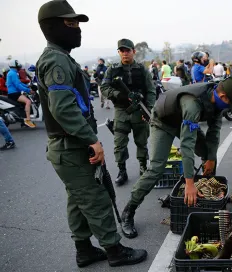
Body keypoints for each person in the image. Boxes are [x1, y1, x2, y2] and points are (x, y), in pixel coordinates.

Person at [36, 0, 147, 268]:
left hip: (67, 147)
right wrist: (92, 140)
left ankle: (84, 250)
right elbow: (63, 109)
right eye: (70, 23)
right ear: (52, 27)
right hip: (72, 146)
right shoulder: (56, 60)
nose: (77, 29)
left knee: (78, 200)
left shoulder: (61, 57)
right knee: (95, 198)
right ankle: (115, 250)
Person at [119, 76, 232, 238]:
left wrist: (210, 158)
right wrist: (190, 183)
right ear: (223, 97)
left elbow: (213, 134)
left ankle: (208, 198)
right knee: (157, 168)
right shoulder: (193, 105)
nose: (229, 108)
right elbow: (187, 146)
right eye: (230, 104)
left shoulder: (217, 103)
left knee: (208, 155)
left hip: (183, 120)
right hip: (163, 123)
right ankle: (129, 210)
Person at [101, 39, 156, 185]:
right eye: (122, 51)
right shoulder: (112, 70)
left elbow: (151, 90)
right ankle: (122, 171)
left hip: (140, 110)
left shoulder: (142, 69)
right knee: (119, 144)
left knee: (142, 142)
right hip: (121, 111)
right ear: (119, 52)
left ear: (133, 51)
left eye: (128, 50)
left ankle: (143, 167)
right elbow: (104, 87)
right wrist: (117, 94)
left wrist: (148, 109)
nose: (125, 53)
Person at [6, 60, 36, 128]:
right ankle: (28, 120)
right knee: (28, 101)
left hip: (14, 93)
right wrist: (28, 90)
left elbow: (19, 83)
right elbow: (17, 85)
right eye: (18, 65)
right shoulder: (13, 73)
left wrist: (27, 86)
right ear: (15, 66)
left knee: (24, 104)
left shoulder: (12, 72)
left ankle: (23, 121)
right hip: (14, 93)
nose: (19, 67)